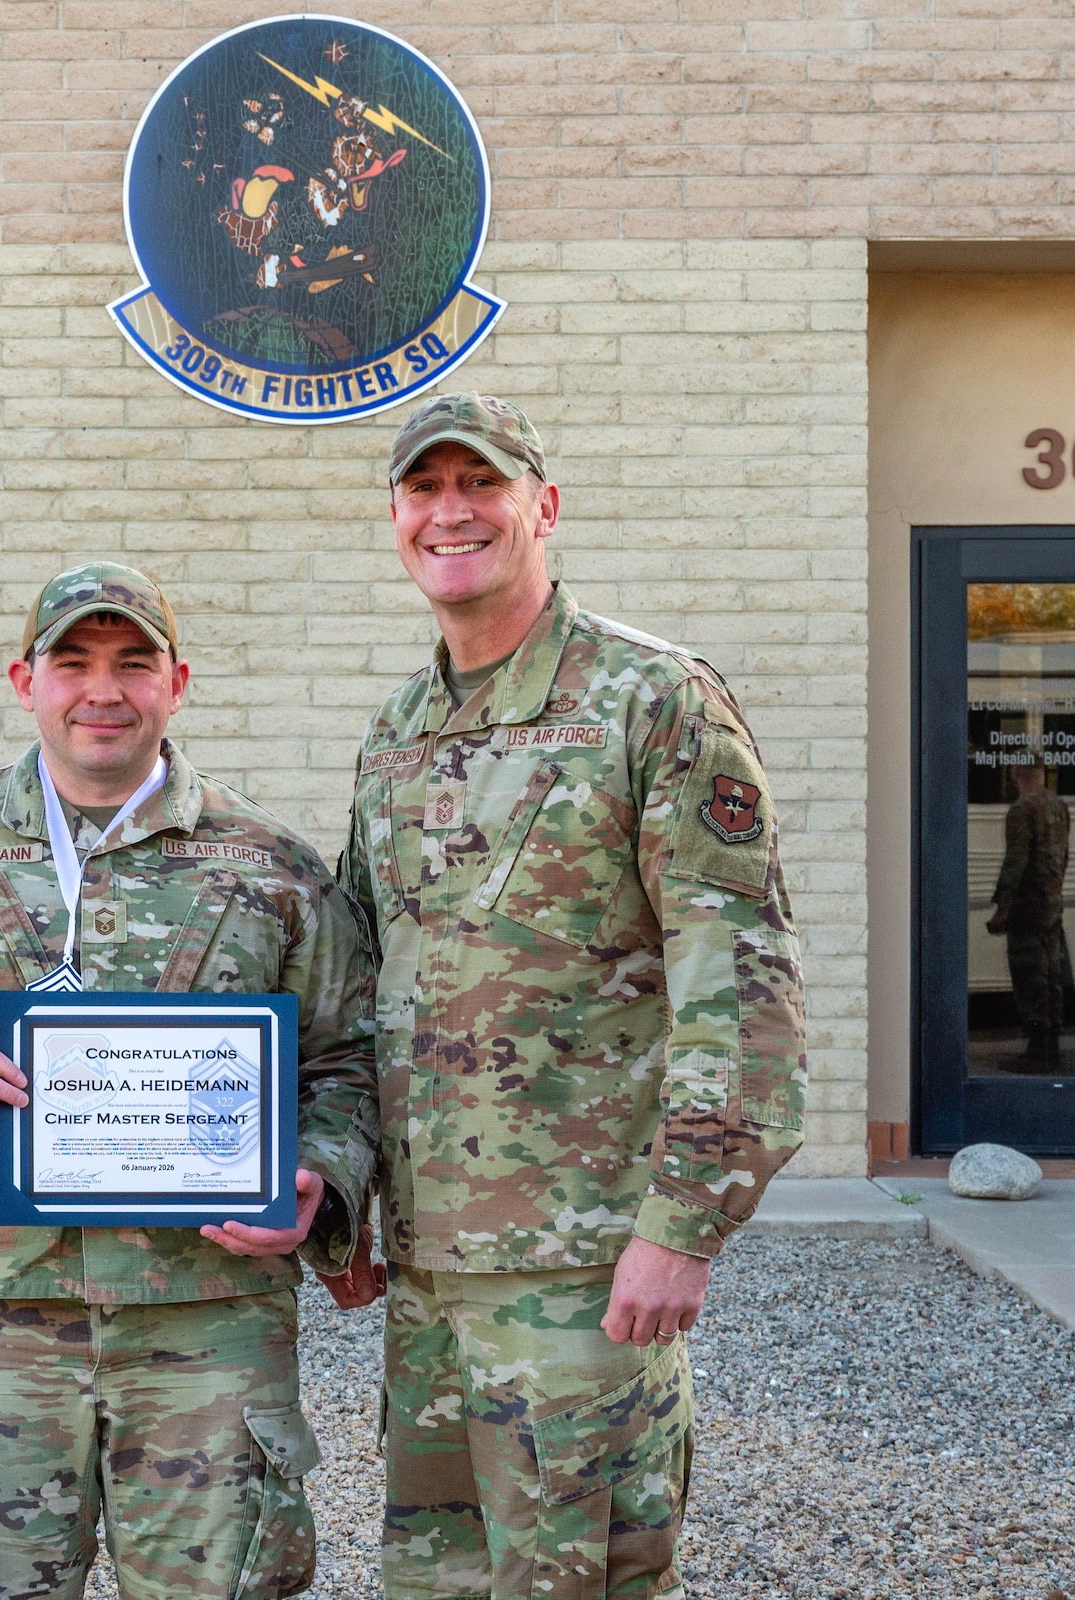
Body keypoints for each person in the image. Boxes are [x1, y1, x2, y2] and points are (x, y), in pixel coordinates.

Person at [0, 562, 379, 1600]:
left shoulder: (269, 868)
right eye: (72, 663)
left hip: (207, 1318)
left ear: (178, 680)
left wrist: (316, 1173)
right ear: (25, 680)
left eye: (132, 663)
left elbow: (349, 1052)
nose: (101, 691)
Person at [326, 394, 807, 1600]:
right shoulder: (397, 728)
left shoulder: (653, 702)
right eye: (422, 489)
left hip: (582, 1275)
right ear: (393, 520)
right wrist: (344, 1200)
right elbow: (362, 979)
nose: (451, 512)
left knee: (578, 1579)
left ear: (540, 506)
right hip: (429, 1273)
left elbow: (736, 976)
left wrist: (682, 1221)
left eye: (479, 485)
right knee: (431, 1581)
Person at [987, 754, 1073, 1073]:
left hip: (1028, 905)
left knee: (1029, 974)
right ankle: (1052, 1045)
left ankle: (1037, 1051)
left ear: (1016, 773)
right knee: (1052, 972)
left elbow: (1016, 862)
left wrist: (1002, 909)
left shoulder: (1022, 809)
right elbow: (1063, 857)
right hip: (1051, 901)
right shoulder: (1059, 806)